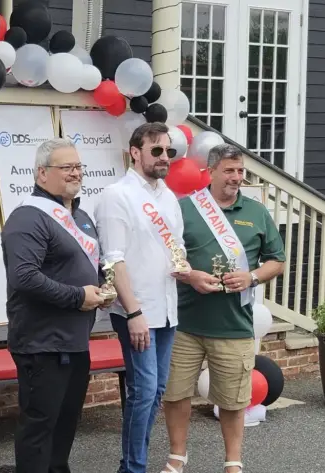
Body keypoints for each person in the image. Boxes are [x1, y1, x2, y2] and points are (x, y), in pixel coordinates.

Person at [161, 144, 286, 473]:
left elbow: (277, 261)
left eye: (240, 171)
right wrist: (190, 275)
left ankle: (233, 462)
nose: (236, 177)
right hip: (185, 322)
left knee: (233, 400)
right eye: (229, 170)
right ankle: (177, 456)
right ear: (211, 171)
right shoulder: (185, 208)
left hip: (234, 324)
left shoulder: (257, 212)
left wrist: (251, 277)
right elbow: (168, 256)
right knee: (174, 394)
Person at [1, 137, 109, 473]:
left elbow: (92, 265)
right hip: (42, 343)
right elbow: (24, 277)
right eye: (67, 167)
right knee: (39, 428)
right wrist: (78, 297)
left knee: (65, 425)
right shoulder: (28, 218)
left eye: (78, 167)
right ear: (41, 173)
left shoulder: (82, 216)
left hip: (75, 340)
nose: (76, 173)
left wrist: (106, 286)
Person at [94, 122, 188, 473]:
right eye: (157, 150)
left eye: (169, 151)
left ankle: (134, 463)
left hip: (167, 308)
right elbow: (113, 259)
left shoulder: (168, 196)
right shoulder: (116, 195)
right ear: (136, 152)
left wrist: (183, 264)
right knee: (144, 391)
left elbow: (174, 247)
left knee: (156, 390)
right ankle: (132, 468)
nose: (165, 157)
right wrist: (133, 313)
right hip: (137, 310)